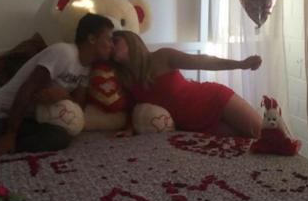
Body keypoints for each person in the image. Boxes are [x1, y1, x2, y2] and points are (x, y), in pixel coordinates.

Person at [0, 13, 114, 182]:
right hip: (0, 113)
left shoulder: (86, 68)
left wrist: (65, 95)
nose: (112, 45)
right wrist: (10, 134)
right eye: (109, 39)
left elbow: (78, 106)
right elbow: (27, 90)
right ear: (92, 38)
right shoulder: (64, 52)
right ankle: (4, 142)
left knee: (60, 137)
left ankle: (7, 151)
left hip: (29, 119)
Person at [111, 30, 263, 138]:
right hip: (191, 125)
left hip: (214, 100)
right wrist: (129, 129)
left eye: (115, 41)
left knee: (265, 134)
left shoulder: (162, 56)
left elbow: (203, 61)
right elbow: (131, 108)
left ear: (131, 40)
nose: (111, 46)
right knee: (246, 145)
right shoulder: (126, 78)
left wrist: (240, 64)